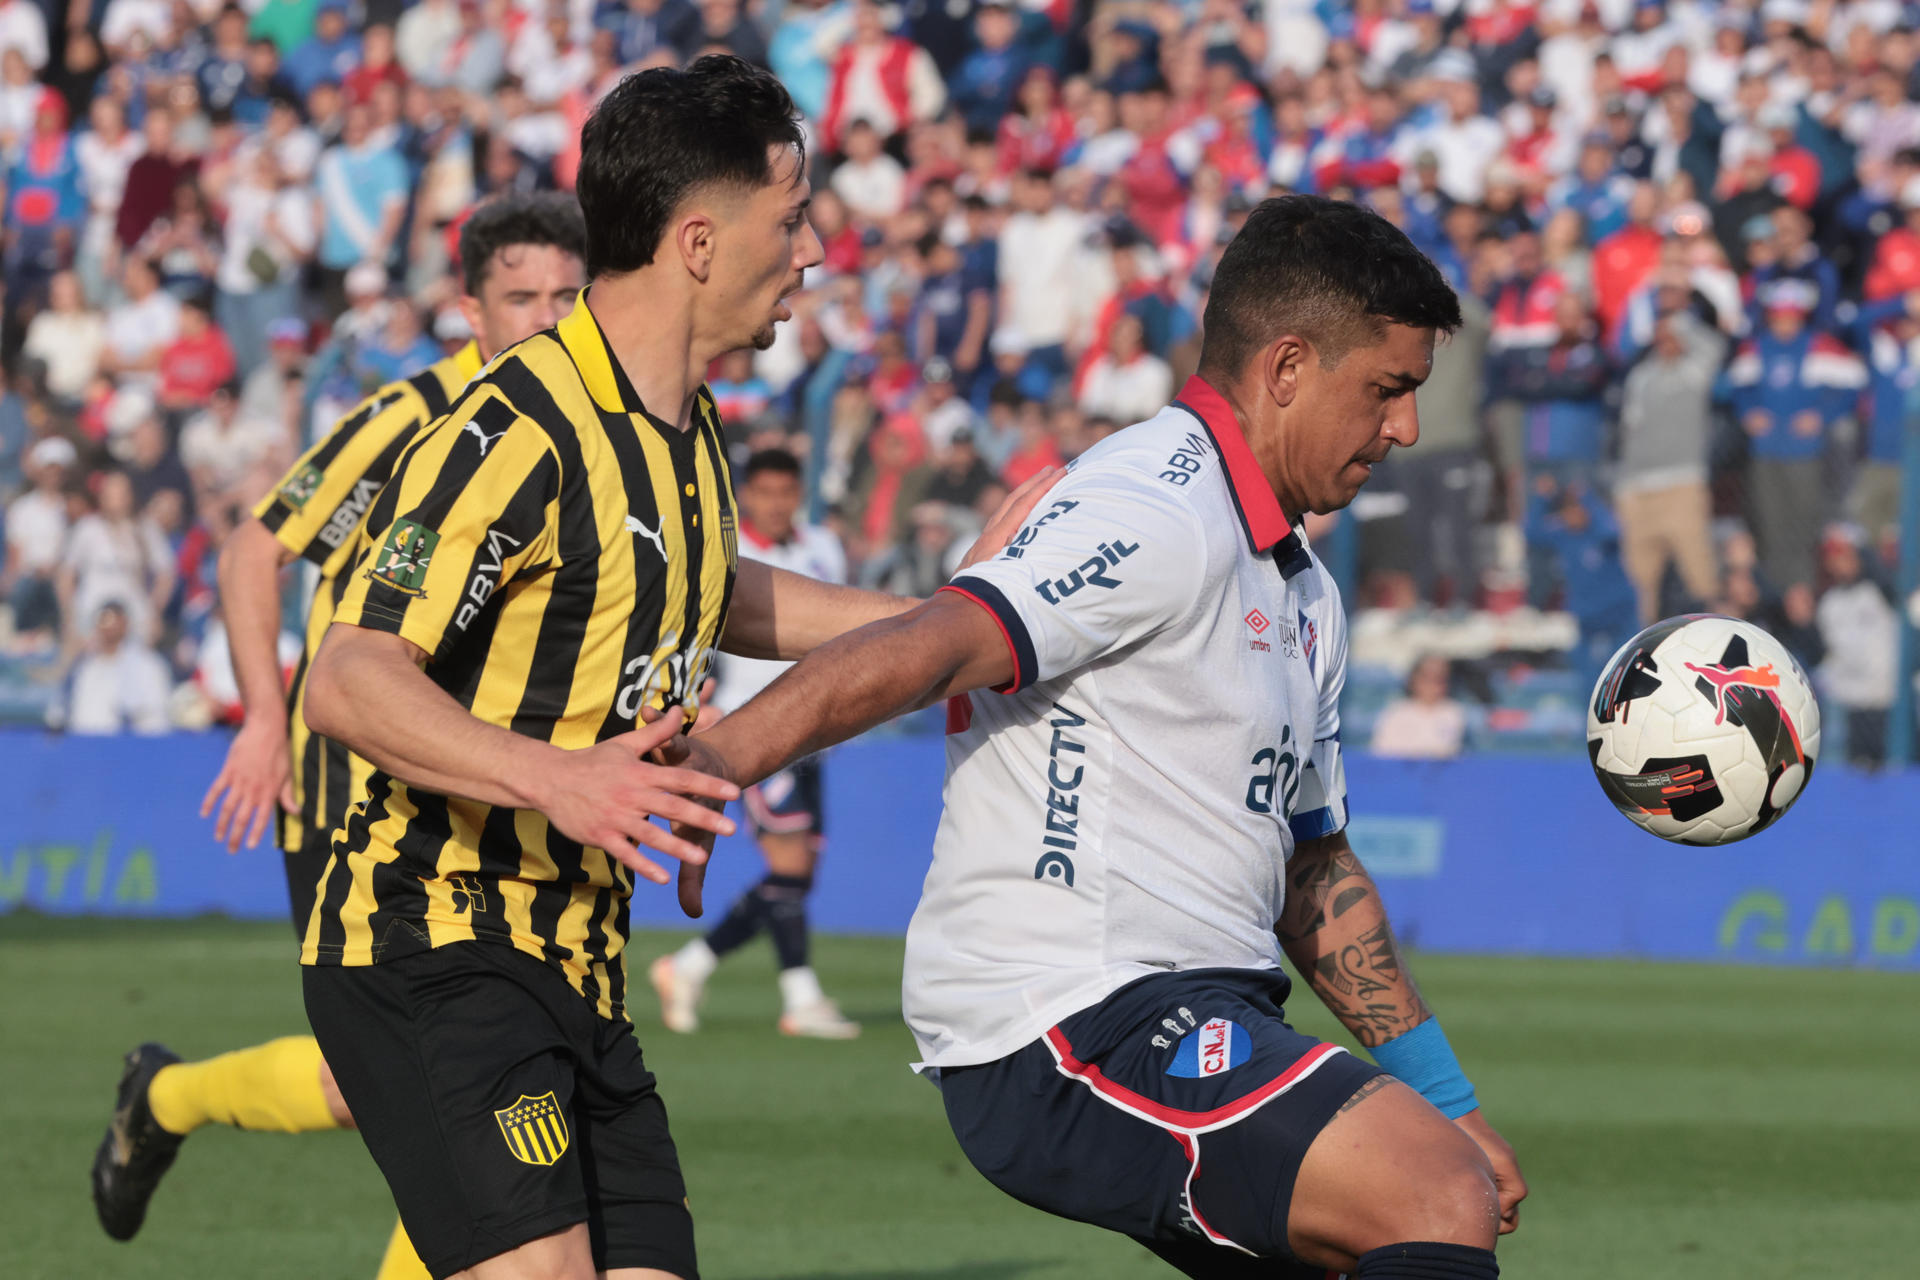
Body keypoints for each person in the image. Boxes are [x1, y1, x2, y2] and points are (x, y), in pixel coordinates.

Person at [287, 58, 1045, 1280]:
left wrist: (957, 616)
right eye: (791, 220)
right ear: (699, 241)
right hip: (435, 942)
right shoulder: (514, 425)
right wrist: (557, 779)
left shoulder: (685, 434)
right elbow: (349, 674)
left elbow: (716, 588)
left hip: (581, 965)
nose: (813, 253)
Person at [678, 196, 1526, 1280]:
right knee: (1426, 1190)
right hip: (1068, 1009)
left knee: (1396, 1217)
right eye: (1388, 389)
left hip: (1201, 1003)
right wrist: (715, 764)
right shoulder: (1155, 506)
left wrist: (1450, 1097)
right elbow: (939, 642)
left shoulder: (1306, 593)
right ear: (1286, 367)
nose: (1403, 428)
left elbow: (1312, 867)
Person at [90, 194, 591, 1280]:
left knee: (448, 1092)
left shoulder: (594, 428)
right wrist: (265, 718)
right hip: (362, 799)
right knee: (468, 1097)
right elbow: (252, 550)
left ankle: (165, 1095)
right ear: (469, 310)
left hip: (498, 802)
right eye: (521, 297)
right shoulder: (411, 419)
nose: (547, 317)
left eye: (566, 294)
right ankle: (164, 1094)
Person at [652, 448, 860, 1039]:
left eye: (785, 492)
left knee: (798, 874)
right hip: (762, 730)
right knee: (789, 868)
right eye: (764, 492)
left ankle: (690, 966)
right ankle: (799, 996)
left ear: (798, 494)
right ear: (747, 496)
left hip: (818, 733)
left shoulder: (821, 548)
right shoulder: (731, 555)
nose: (775, 503)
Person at [63, 601, 173, 735]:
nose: (107, 627)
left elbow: (156, 719)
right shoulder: (86, 668)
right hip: (89, 747)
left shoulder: (148, 666)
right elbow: (78, 717)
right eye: (102, 621)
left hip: (132, 747)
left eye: (112, 620)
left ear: (125, 623)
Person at [1371, 654, 1468, 760]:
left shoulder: (1453, 712)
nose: (1433, 684)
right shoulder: (1396, 712)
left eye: (1440, 678)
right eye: (1427, 677)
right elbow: (1382, 751)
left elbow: (1447, 750)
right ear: (1414, 679)